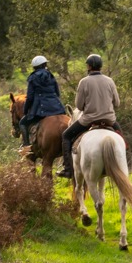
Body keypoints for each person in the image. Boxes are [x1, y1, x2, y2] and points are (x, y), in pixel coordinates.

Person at [57, 53, 118, 183]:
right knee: (122, 140)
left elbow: (79, 106)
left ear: (89, 66)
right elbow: (117, 103)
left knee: (66, 136)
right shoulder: (110, 81)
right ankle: (121, 163)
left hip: (89, 120)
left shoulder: (84, 82)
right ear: (100, 66)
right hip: (110, 120)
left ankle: (68, 169)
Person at [20, 55, 67, 146]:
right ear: (44, 64)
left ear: (34, 67)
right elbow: (57, 93)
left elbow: (30, 97)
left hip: (41, 110)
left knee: (22, 123)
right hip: (57, 108)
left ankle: (26, 146)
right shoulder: (51, 76)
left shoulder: (33, 78)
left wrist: (25, 110)